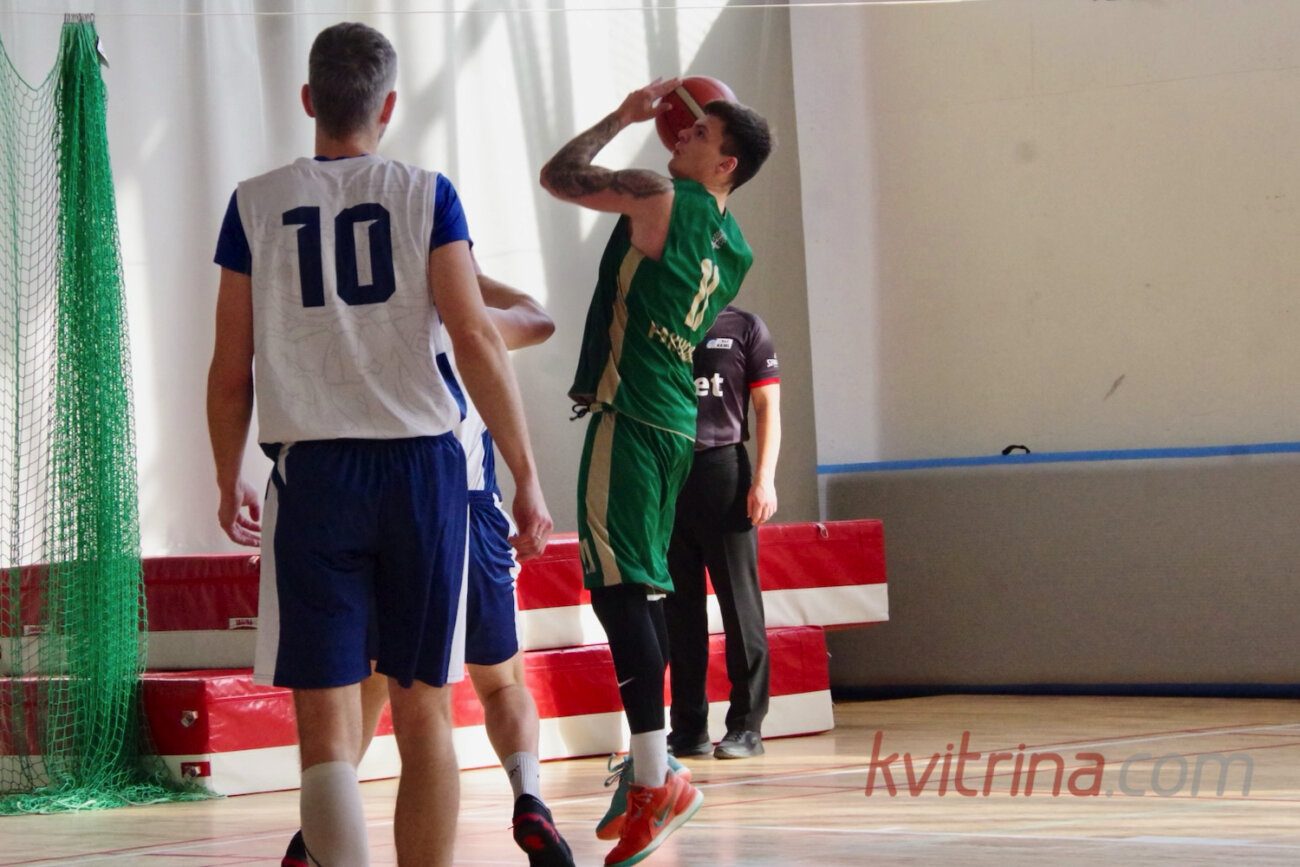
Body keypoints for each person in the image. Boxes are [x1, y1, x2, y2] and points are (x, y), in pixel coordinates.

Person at [206, 22, 549, 867]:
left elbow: (229, 364)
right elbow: (476, 338)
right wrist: (525, 473)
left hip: (316, 471)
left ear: (308, 100)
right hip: (422, 469)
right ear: (388, 106)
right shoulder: (426, 193)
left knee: (326, 726)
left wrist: (226, 474)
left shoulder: (254, 202)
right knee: (423, 707)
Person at [539, 78, 772, 867]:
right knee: (639, 590)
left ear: (725, 161)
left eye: (698, 132)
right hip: (675, 421)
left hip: (633, 411)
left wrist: (622, 117)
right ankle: (653, 763)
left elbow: (558, 176)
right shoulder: (735, 246)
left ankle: (654, 774)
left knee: (616, 587)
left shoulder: (657, 194)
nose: (680, 134)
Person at [278, 274, 575, 867]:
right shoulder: (466, 323)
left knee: (367, 683)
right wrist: (469, 274)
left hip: (371, 501)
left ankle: (319, 829)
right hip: (462, 507)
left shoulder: (370, 324)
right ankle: (529, 797)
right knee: (498, 685)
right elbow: (538, 317)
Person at [663, 305, 781, 760]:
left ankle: (747, 725)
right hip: (670, 474)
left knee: (739, 605)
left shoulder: (744, 326)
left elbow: (767, 406)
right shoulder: (660, 319)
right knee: (679, 610)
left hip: (723, 471)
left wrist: (764, 479)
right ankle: (689, 727)